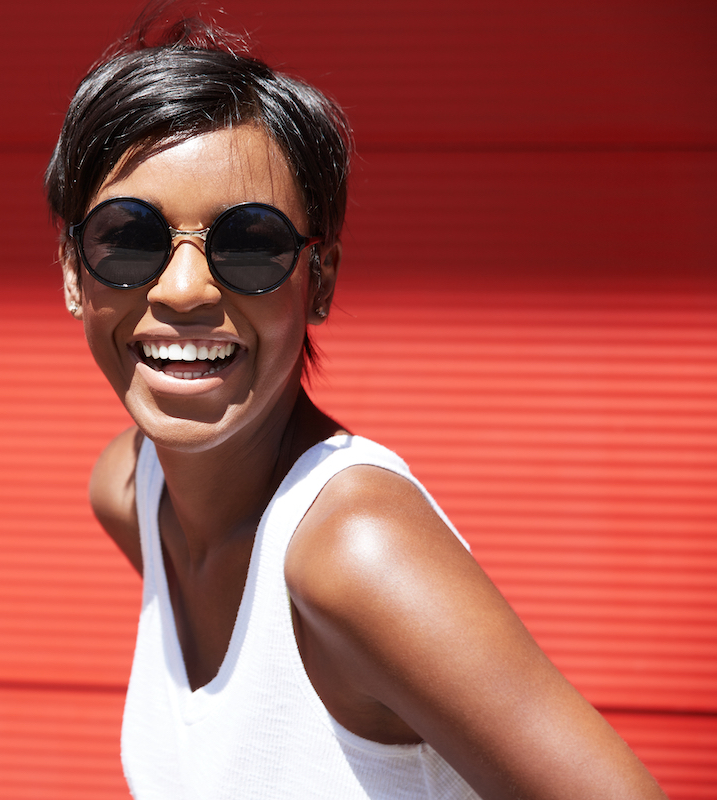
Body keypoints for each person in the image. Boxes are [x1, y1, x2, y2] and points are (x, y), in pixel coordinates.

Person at [44, 7, 666, 799]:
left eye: (251, 243)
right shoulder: (133, 494)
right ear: (72, 272)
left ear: (321, 279)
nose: (185, 288)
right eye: (128, 237)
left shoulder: (355, 554)